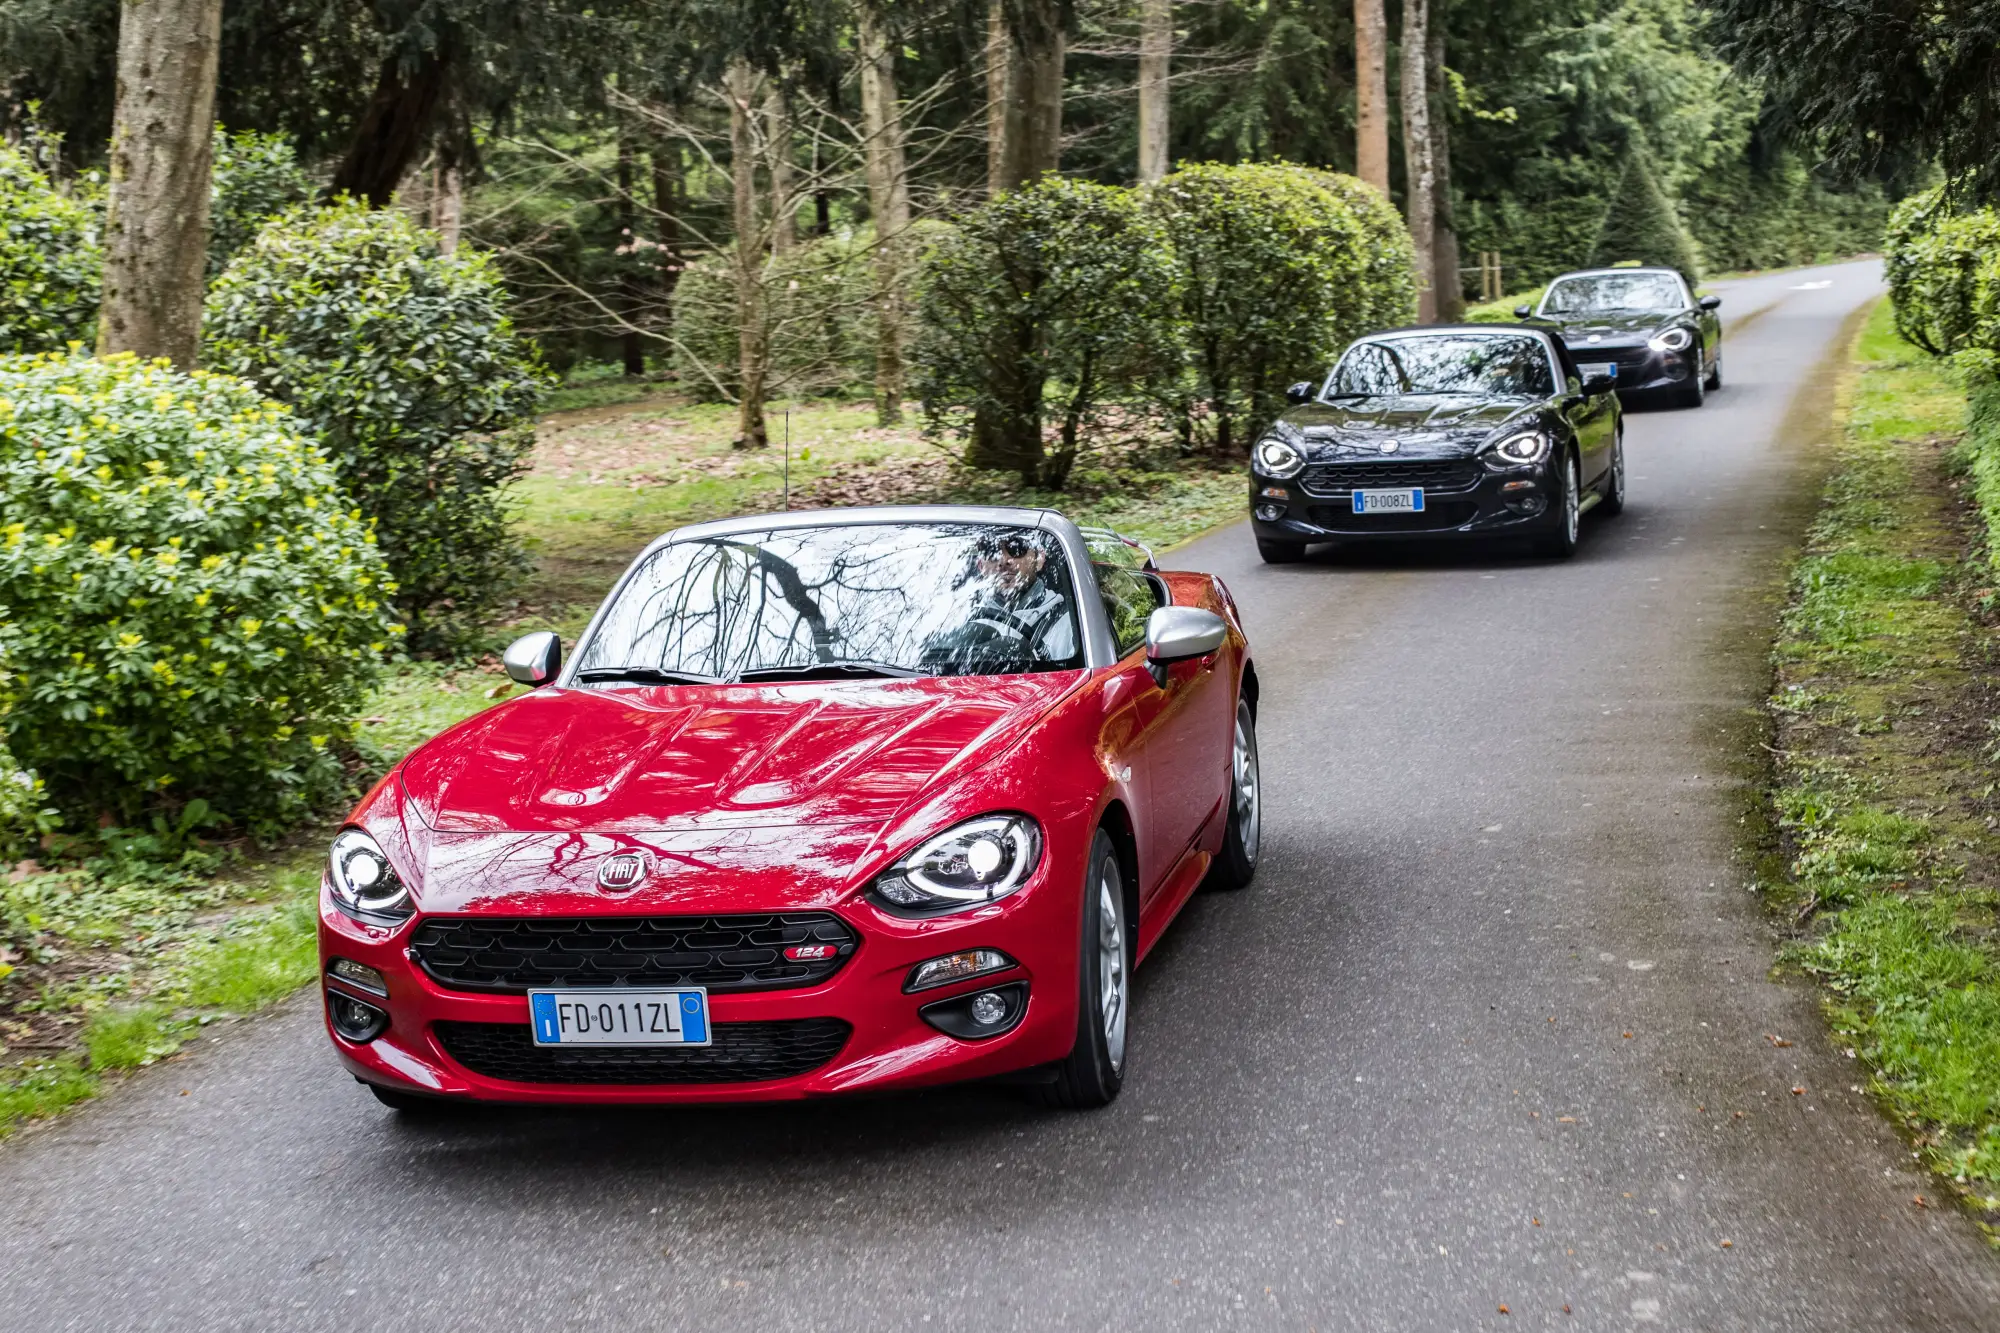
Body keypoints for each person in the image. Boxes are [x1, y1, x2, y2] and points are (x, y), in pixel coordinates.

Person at [923, 529, 1080, 670]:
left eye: (1016, 548)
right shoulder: (953, 618)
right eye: (990, 551)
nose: (1003, 560)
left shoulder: (1071, 622)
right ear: (980, 566)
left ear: (1039, 559)